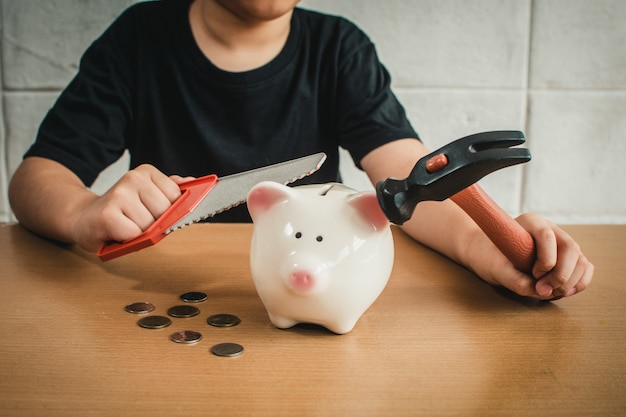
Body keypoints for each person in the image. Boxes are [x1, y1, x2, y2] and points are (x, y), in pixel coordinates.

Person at [8, 0, 593, 300]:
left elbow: (407, 177)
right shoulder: (136, 41)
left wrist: (483, 247)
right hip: (173, 295)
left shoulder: (339, 48)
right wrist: (84, 213)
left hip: (314, 289)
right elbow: (35, 177)